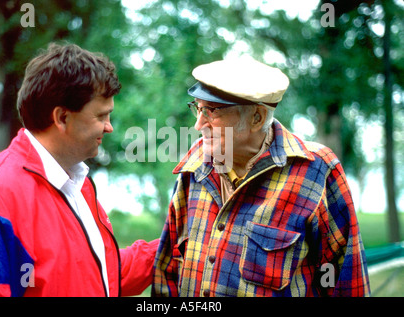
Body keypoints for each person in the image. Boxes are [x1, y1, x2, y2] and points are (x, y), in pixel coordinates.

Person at [152, 57, 370, 297]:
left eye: (211, 112)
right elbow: (167, 274)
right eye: (197, 108)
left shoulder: (316, 170)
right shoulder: (196, 163)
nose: (198, 125)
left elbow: (348, 283)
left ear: (256, 117)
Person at [0, 43, 158, 297]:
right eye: (101, 116)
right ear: (62, 117)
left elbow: (101, 274)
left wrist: (170, 246)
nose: (109, 127)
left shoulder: (75, 182)